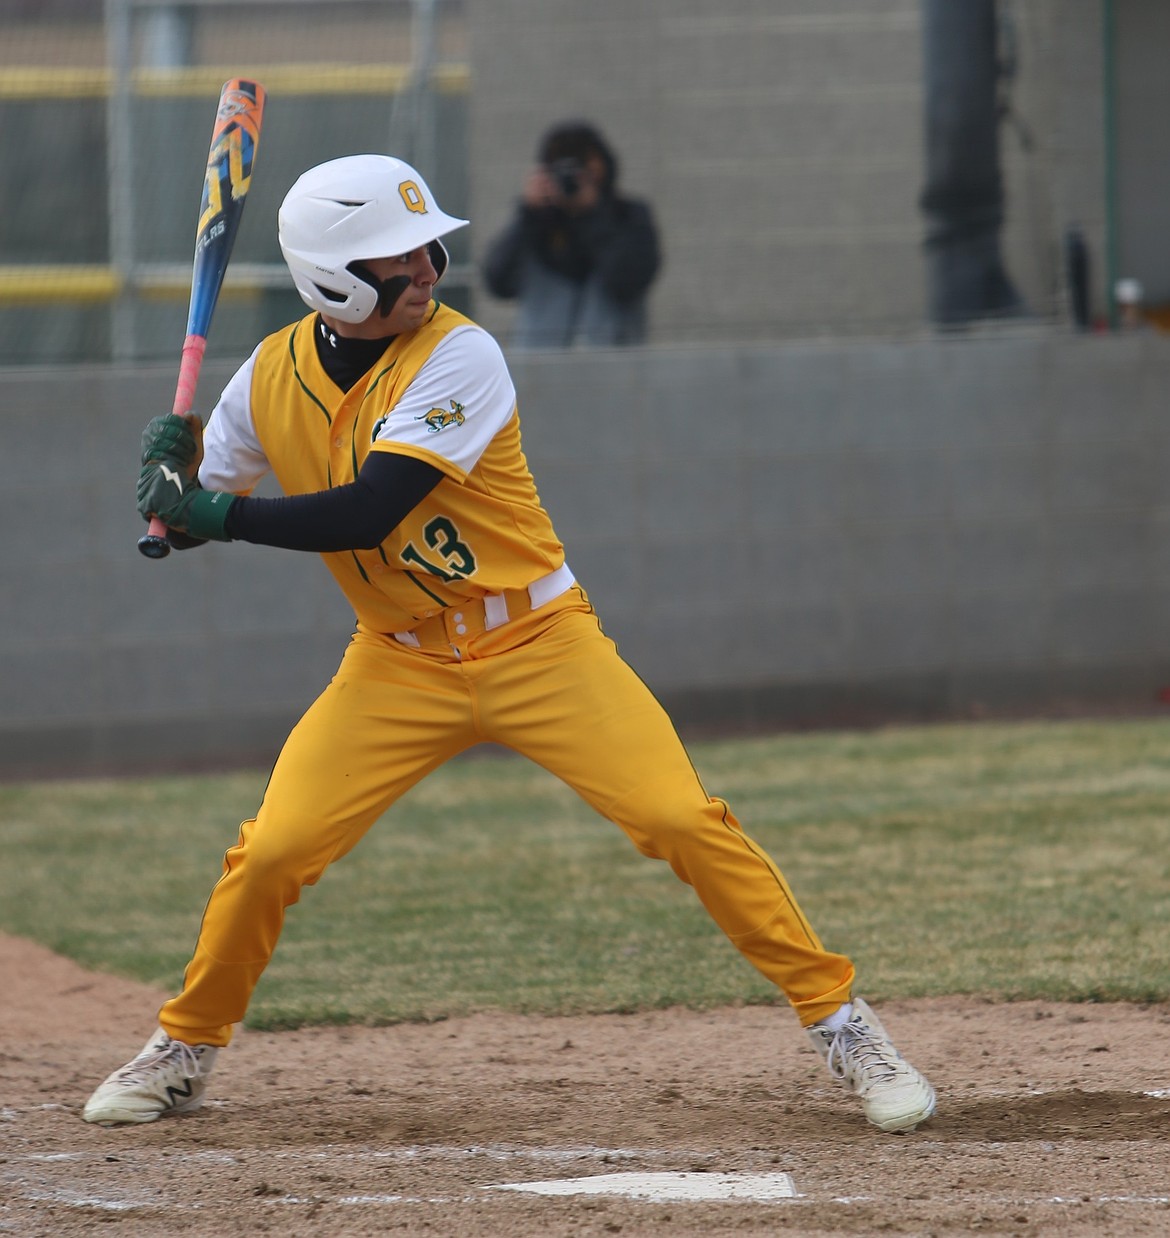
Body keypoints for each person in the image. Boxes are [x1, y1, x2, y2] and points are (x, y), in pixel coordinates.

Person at [83, 154, 935, 1135]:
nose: (431, 268)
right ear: (333, 281)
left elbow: (371, 508)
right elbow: (193, 515)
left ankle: (843, 1023)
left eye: (428, 246)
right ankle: (185, 1045)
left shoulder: (462, 354)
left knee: (682, 817)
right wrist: (165, 486)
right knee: (270, 849)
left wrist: (211, 509)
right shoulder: (268, 376)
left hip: (536, 639)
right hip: (397, 658)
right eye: (400, 259)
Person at [481, 120, 660, 347]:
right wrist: (528, 215)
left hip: (617, 371)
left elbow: (628, 281)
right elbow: (497, 282)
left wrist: (593, 215)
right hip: (542, 372)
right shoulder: (538, 223)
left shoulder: (627, 217)